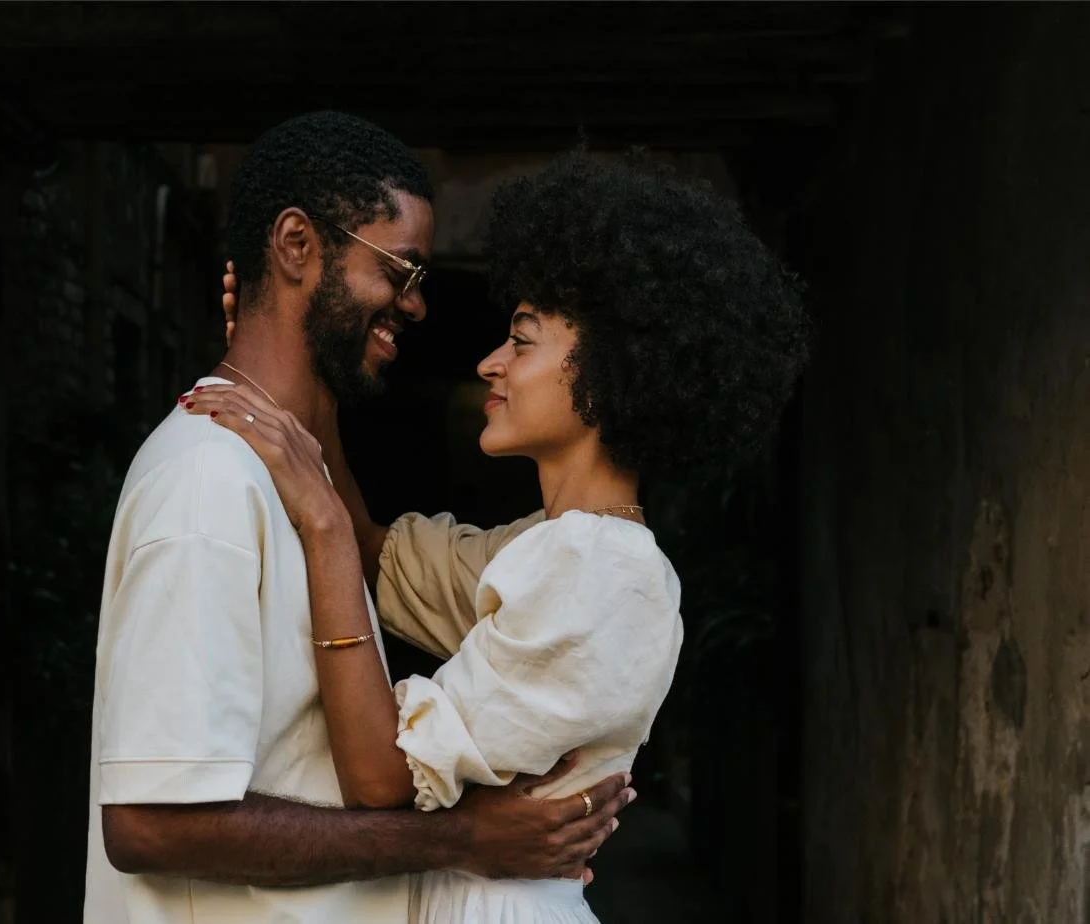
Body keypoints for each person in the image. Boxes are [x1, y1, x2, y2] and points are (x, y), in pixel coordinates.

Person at [189, 152, 810, 921]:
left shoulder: (599, 574)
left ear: (611, 374)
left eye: (521, 340)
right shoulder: (554, 549)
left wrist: (319, 529)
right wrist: (297, 352)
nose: (489, 363)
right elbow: (377, 553)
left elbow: (380, 779)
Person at [84, 114, 633, 924]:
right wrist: (461, 839)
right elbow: (150, 827)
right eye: (401, 270)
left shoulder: (291, 478)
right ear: (297, 245)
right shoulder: (208, 486)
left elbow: (375, 552)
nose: (416, 304)